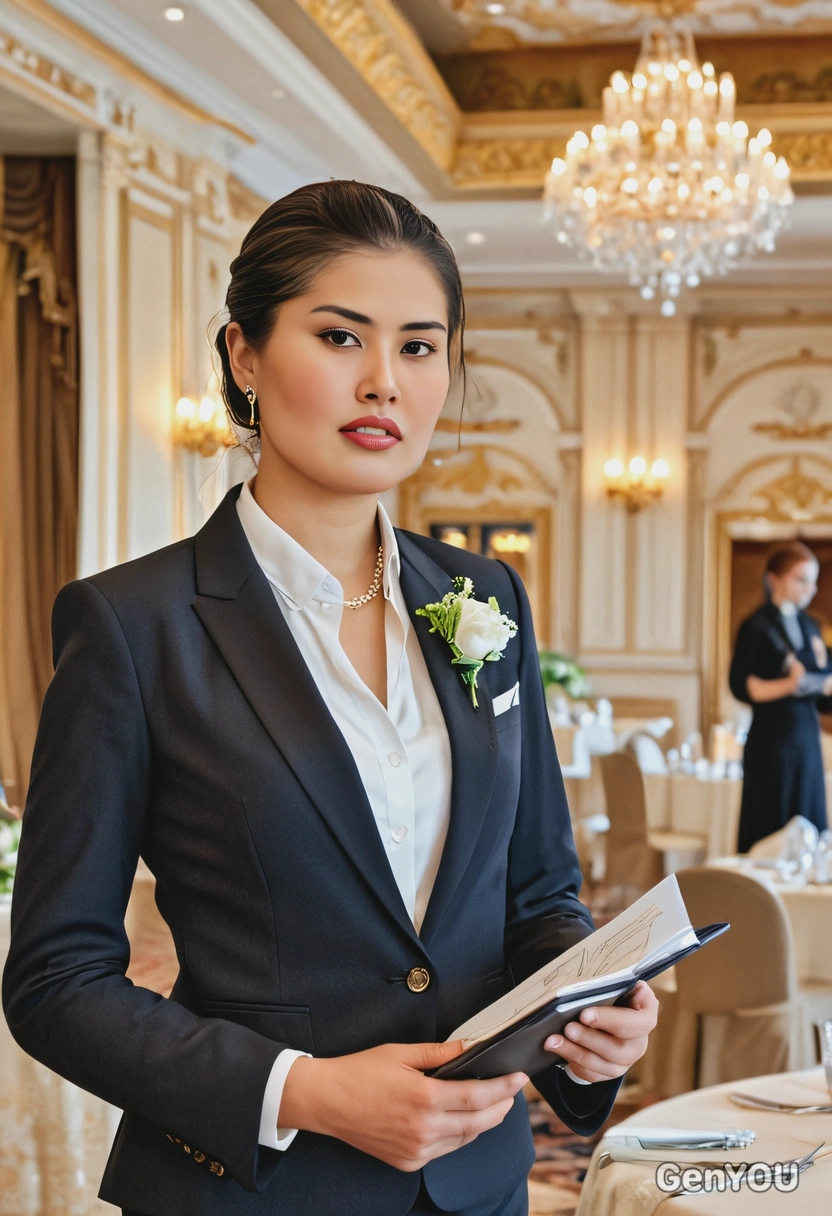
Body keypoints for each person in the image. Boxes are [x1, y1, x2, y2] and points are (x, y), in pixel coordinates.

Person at [2, 181, 657, 1216]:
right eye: (341, 337)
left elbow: (536, 895)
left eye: (418, 345)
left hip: (479, 1187)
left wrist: (590, 1016)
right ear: (245, 357)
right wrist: (302, 1090)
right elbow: (53, 981)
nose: (384, 385)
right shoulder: (135, 624)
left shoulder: (485, 598)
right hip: (251, 1191)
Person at [730, 541, 832, 853]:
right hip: (771, 740)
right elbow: (739, 684)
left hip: (806, 739)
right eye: (801, 579)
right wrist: (789, 685)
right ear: (774, 579)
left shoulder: (810, 625)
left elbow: (823, 694)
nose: (810, 589)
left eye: (813, 581)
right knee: (771, 823)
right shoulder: (756, 626)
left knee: (808, 824)